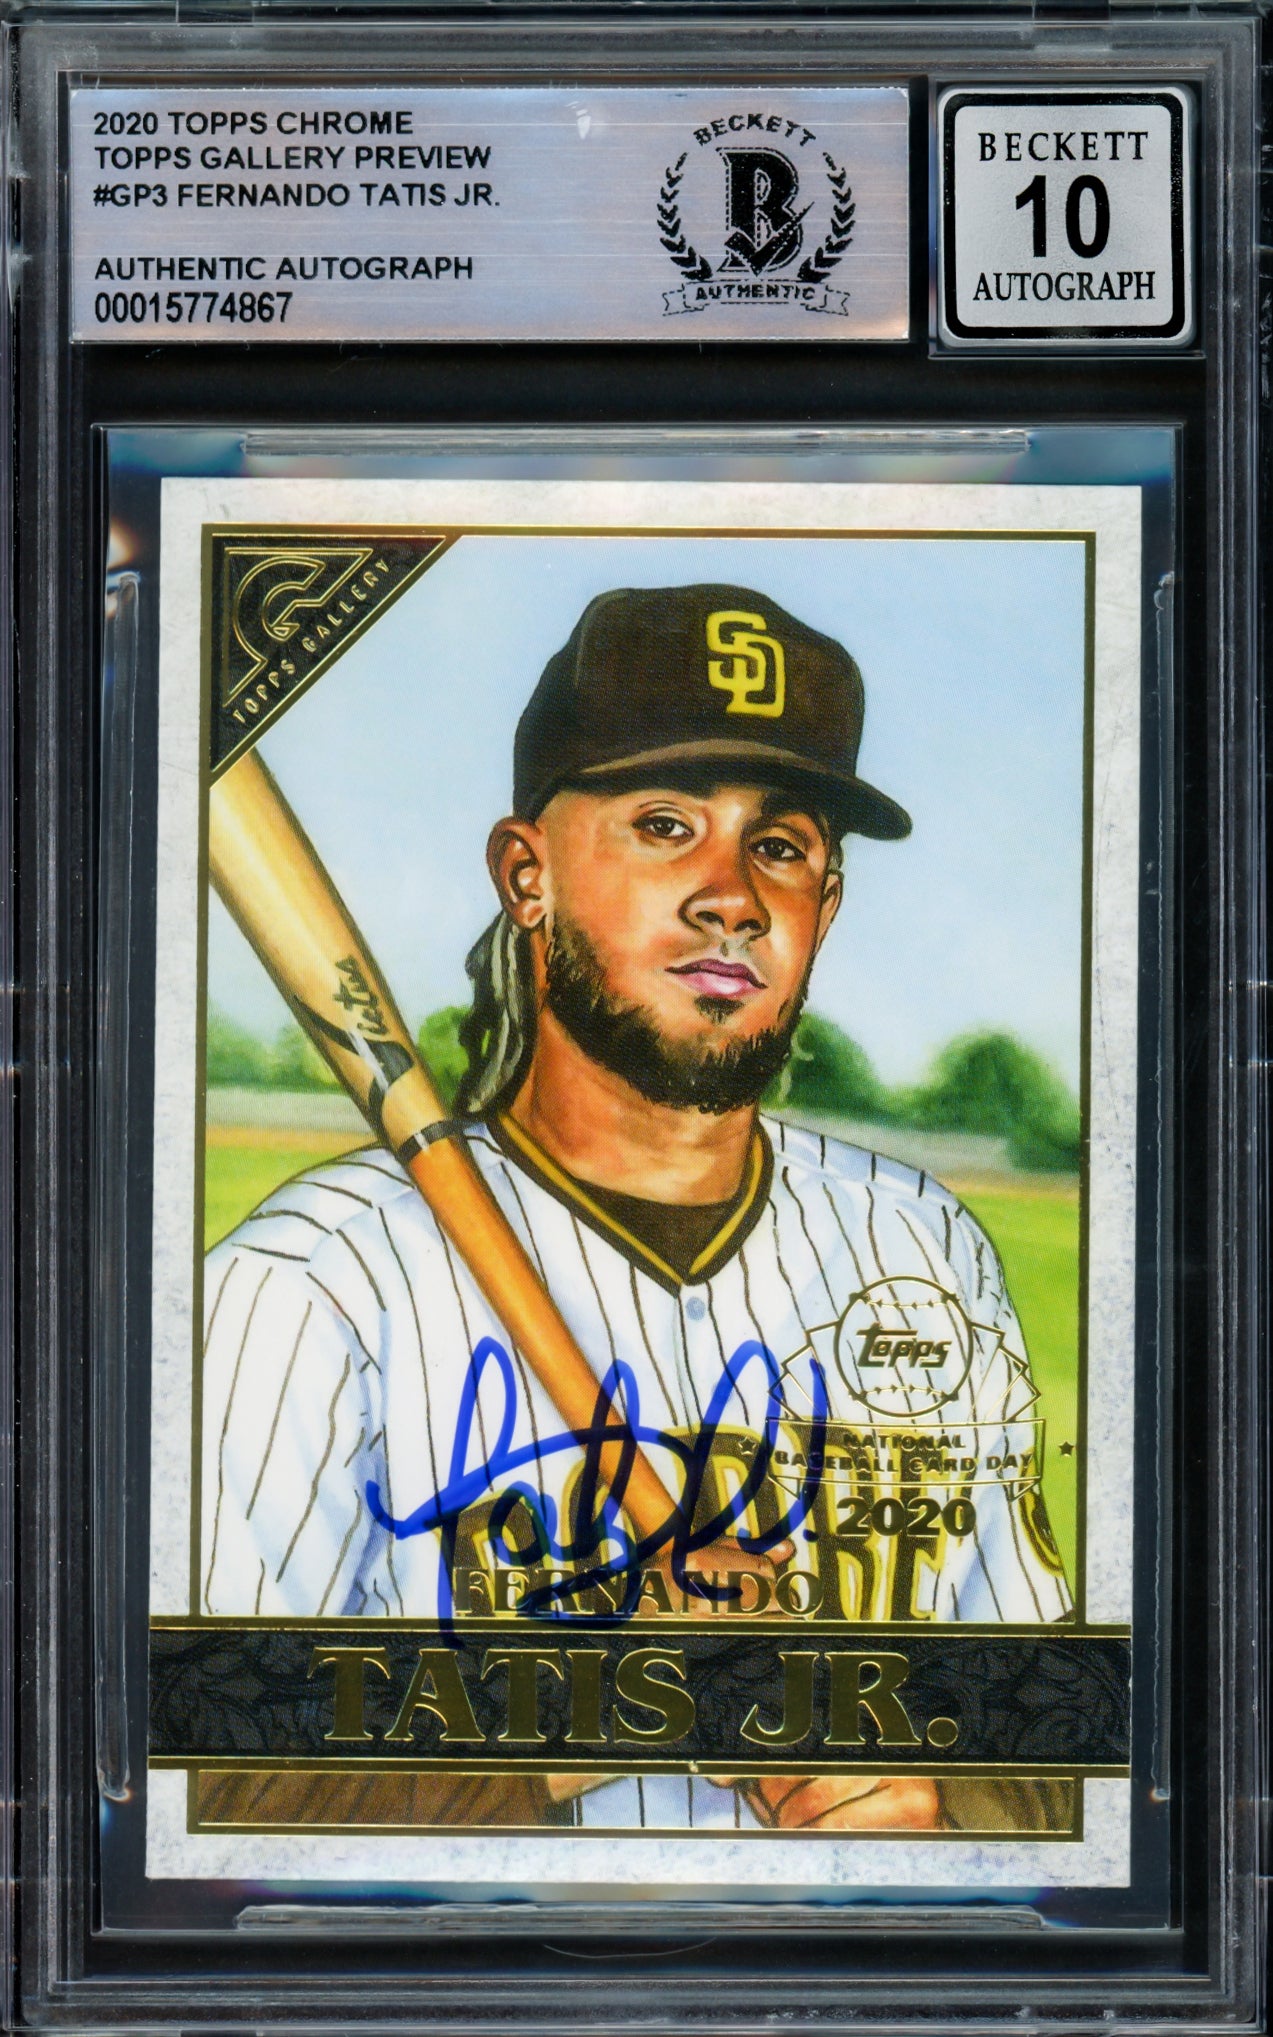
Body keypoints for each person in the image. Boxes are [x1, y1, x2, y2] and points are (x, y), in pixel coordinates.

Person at [200, 583, 1072, 1836]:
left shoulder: (922, 1245)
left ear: (825, 905)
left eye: (780, 846)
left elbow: (1067, 1731)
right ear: (527, 875)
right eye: (665, 825)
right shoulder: (310, 1281)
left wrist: (940, 1810)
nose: (732, 894)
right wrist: (608, 1695)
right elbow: (194, 1788)